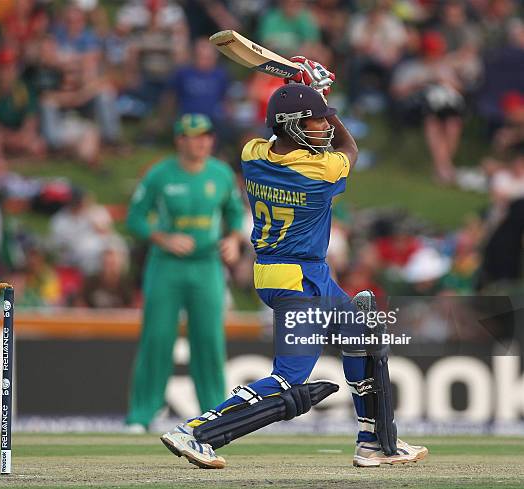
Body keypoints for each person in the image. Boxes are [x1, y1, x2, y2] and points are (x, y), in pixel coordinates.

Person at [160, 61, 428, 469]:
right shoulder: (319, 172)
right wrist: (324, 98)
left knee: (360, 330)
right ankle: (195, 432)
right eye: (317, 122)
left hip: (293, 271)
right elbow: (349, 149)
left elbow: (277, 134)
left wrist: (302, 92)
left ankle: (373, 441)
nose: (325, 127)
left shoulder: (252, 155)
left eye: (324, 122)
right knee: (290, 378)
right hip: (296, 281)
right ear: (292, 126)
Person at [125, 113, 243, 431]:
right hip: (166, 266)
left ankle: (214, 416)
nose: (203, 142)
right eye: (195, 136)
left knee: (208, 340)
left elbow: (235, 216)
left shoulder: (221, 174)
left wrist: (233, 240)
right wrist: (163, 237)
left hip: (207, 266)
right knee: (157, 338)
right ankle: (141, 415)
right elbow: (135, 218)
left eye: (207, 135)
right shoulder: (160, 175)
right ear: (180, 140)